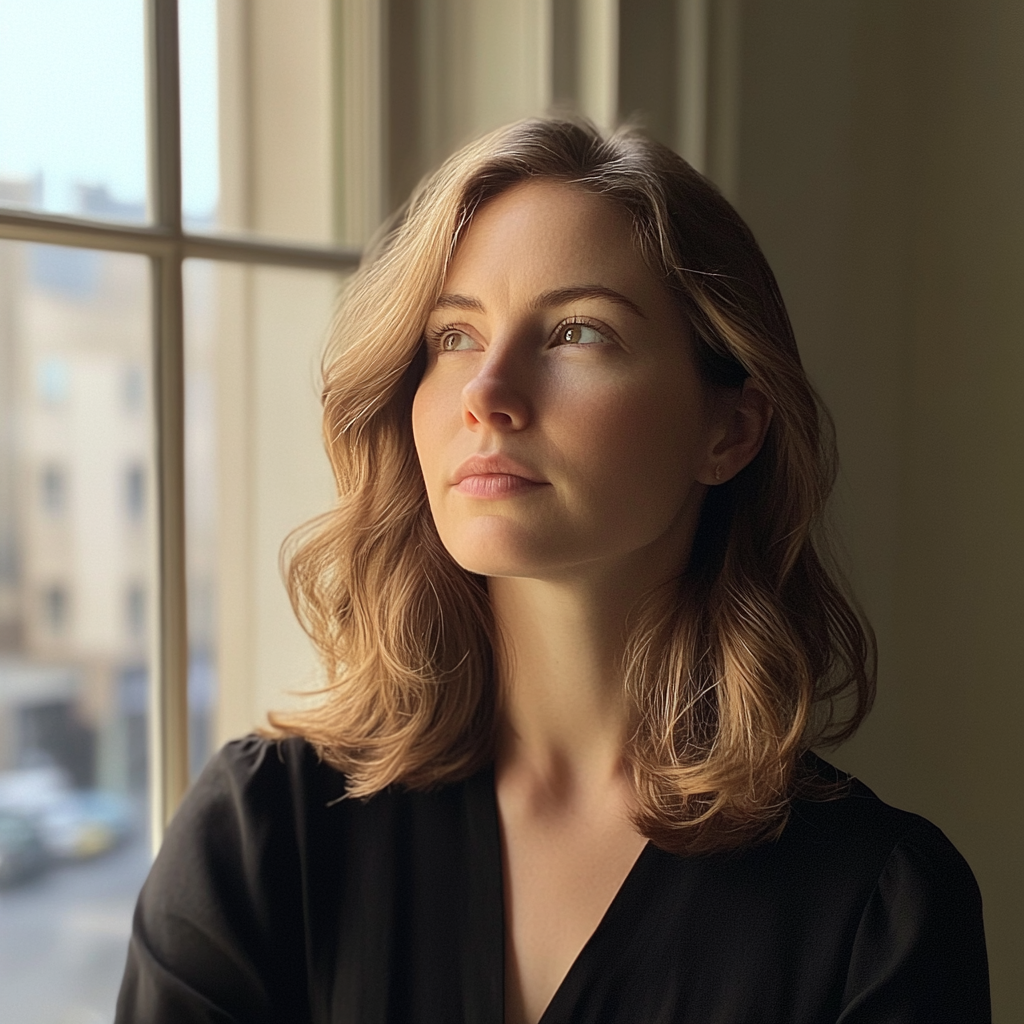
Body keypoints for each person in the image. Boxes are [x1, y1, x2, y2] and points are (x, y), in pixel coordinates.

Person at [116, 117, 989, 1024]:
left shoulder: (877, 910)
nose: (486, 394)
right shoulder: (264, 836)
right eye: (454, 336)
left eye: (577, 332)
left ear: (728, 430)